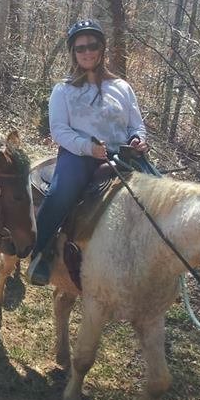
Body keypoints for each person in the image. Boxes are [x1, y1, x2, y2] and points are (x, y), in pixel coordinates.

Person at [26, 19, 149, 286]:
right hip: (79, 155)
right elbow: (59, 131)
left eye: (92, 45)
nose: (87, 52)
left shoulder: (122, 88)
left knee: (160, 193)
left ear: (102, 49)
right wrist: (88, 148)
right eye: (80, 48)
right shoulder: (64, 90)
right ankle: (41, 254)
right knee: (60, 193)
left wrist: (138, 139)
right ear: (73, 53)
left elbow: (135, 123)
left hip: (123, 154)